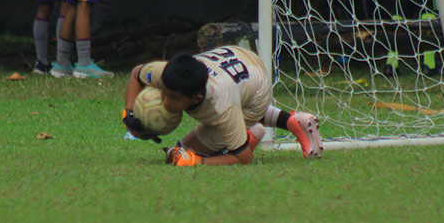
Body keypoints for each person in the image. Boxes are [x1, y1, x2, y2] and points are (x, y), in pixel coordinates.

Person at [122, 46, 322, 166]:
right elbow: (136, 75)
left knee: (183, 153)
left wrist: (199, 161)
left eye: (173, 98)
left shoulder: (220, 106)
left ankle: (251, 132)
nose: (164, 102)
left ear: (197, 99)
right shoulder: (166, 72)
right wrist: (129, 113)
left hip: (257, 91)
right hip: (240, 60)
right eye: (163, 92)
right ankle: (291, 121)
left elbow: (244, 159)